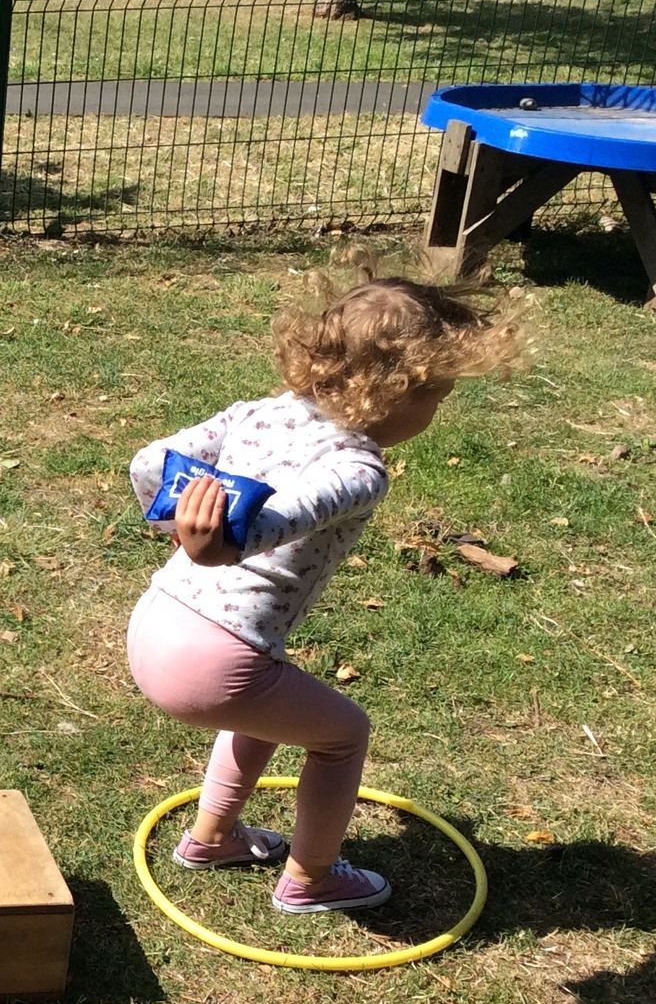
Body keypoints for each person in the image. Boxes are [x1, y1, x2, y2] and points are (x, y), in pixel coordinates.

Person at [125, 259, 525, 913]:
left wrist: (172, 518)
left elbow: (150, 462)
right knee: (342, 734)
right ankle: (311, 877)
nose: (437, 410)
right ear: (397, 390)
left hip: (155, 623)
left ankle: (212, 835)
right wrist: (215, 544)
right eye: (438, 395)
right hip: (214, 657)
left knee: (266, 710)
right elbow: (278, 521)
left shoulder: (261, 411)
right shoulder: (359, 467)